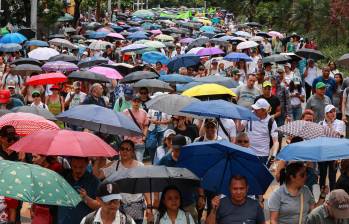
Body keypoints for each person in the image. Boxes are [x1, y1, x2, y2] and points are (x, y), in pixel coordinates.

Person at [93, 140, 152, 223]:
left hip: (136, 208)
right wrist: (97, 160)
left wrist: (149, 207)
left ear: (132, 152)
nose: (124, 151)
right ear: (119, 151)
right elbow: (97, 175)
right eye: (122, 149)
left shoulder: (140, 166)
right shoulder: (114, 165)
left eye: (128, 149)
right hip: (119, 207)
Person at [57, 157, 100, 224]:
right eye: (74, 167)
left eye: (81, 167)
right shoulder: (62, 176)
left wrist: (86, 198)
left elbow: (100, 205)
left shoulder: (94, 181)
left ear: (87, 164)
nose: (78, 170)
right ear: (70, 164)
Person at [239, 98, 279, 165]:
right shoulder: (249, 115)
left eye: (257, 109)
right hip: (248, 152)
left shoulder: (271, 122)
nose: (254, 110)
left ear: (264, 110)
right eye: (254, 108)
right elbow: (239, 129)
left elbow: (276, 141)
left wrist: (274, 155)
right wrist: (238, 117)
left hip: (263, 155)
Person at [123, 95, 149, 162]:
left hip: (139, 141)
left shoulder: (144, 113)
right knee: (127, 162)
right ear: (131, 102)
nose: (136, 103)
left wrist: (144, 138)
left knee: (139, 162)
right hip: (128, 142)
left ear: (140, 103)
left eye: (138, 101)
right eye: (134, 101)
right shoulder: (125, 112)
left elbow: (146, 126)